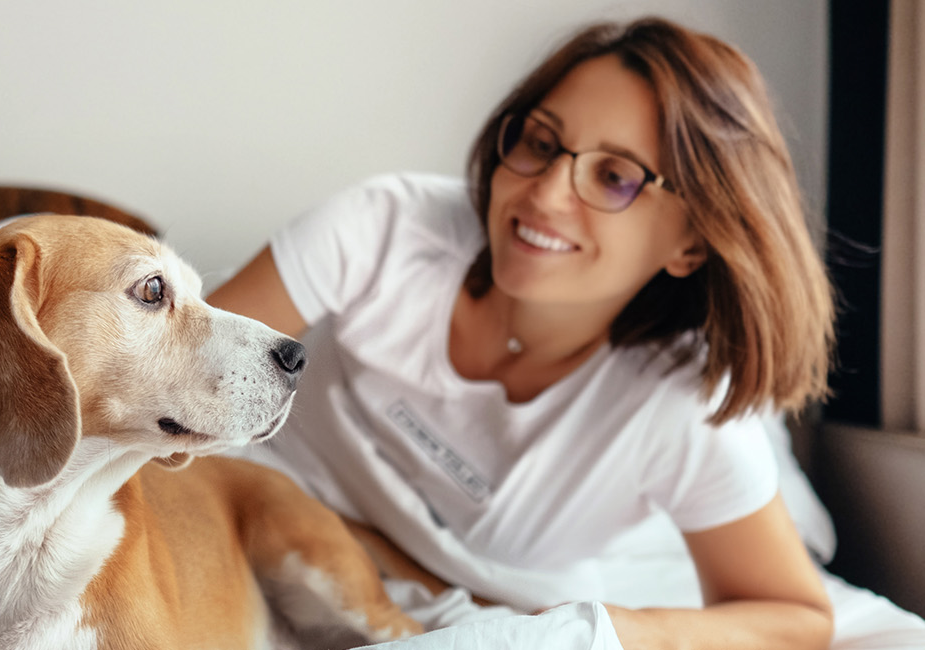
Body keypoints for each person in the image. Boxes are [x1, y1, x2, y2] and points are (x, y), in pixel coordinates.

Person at [208, 17, 925, 649]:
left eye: (615, 177)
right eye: (541, 143)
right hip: (249, 502)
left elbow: (797, 615)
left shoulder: (682, 407)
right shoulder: (384, 231)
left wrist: (588, 631)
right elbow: (182, 378)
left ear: (691, 243)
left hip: (483, 590)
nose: (545, 194)